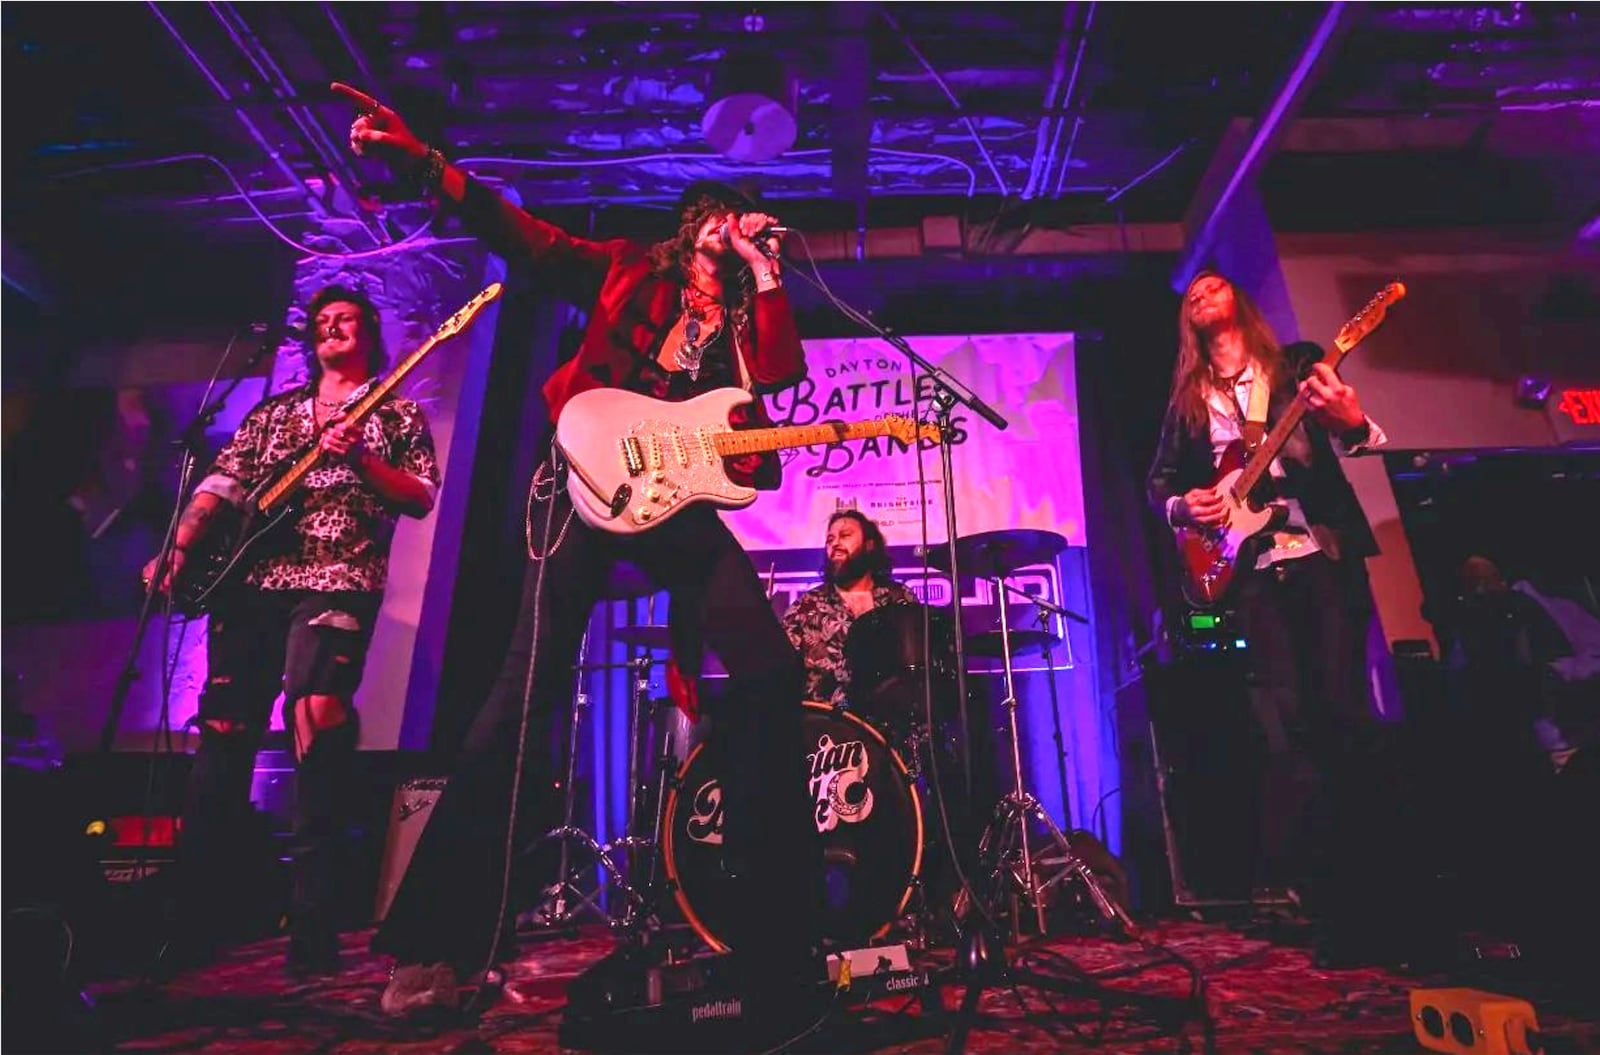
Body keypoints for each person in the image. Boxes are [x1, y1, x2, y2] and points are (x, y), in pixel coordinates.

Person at [336, 83, 821, 1020]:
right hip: (580, 489)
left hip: (676, 509)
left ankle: (779, 926)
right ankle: (438, 941)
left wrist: (767, 273)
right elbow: (522, 235)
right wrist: (429, 165)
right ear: (690, 232)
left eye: (739, 221)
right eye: (716, 218)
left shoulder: (738, 337)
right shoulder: (625, 270)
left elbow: (786, 373)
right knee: (525, 696)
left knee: (769, 671)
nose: (730, 227)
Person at [142, 285, 440, 977]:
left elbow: (420, 497)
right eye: (322, 321)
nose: (332, 326)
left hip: (338, 578)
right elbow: (223, 482)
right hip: (251, 586)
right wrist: (181, 543)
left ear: (369, 332)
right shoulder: (274, 414)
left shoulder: (394, 410)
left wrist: (361, 458)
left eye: (348, 318)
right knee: (223, 732)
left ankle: (314, 921)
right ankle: (193, 920)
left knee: (317, 718)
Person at [1145, 270, 1392, 961]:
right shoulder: (1188, 402)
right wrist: (1183, 507)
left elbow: (1363, 440)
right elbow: (1158, 482)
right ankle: (1324, 899)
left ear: (1238, 304)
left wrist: (1352, 421)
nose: (1201, 294)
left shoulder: (1296, 366)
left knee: (1345, 714)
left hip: (1320, 556)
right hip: (1252, 574)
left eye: (1215, 285)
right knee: (1287, 734)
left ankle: (1383, 891)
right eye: (1191, 293)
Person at [782, 509, 918, 709]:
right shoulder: (804, 608)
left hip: (895, 725)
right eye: (830, 539)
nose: (835, 544)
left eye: (845, 536)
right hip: (828, 730)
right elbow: (780, 675)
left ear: (869, 545)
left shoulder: (899, 598)